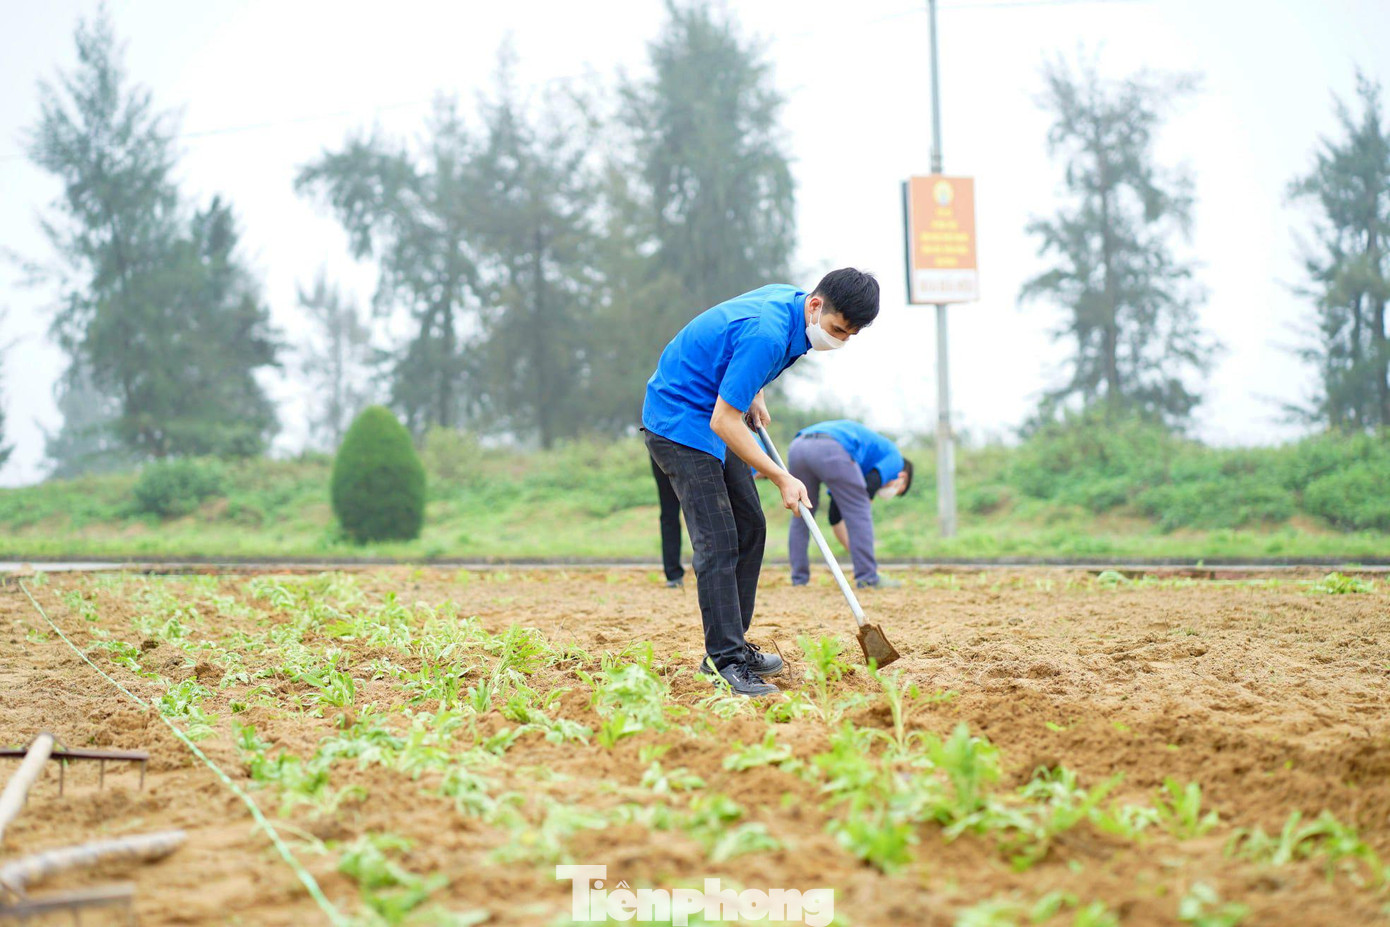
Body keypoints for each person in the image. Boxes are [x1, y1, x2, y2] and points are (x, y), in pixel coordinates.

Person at [643, 269, 880, 696]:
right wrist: (781, 476)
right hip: (680, 421)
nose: (839, 341)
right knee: (718, 540)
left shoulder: (791, 306)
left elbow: (738, 354)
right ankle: (724, 661)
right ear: (816, 305)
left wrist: (754, 391)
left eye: (849, 335)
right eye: (837, 330)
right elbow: (724, 420)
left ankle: (734, 643)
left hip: (714, 411)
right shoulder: (767, 333)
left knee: (751, 526)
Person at [787, 420, 913, 589]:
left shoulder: (861, 464)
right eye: (898, 490)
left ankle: (799, 579)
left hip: (798, 446)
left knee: (802, 513)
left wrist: (856, 550)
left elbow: (835, 515)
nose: (892, 492)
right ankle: (868, 578)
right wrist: (863, 552)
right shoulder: (896, 460)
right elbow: (870, 486)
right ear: (903, 477)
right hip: (831, 448)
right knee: (860, 509)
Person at [649, 455, 685, 588]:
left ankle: (712, 568)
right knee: (669, 512)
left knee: (704, 510)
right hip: (663, 450)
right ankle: (673, 574)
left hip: (695, 448)